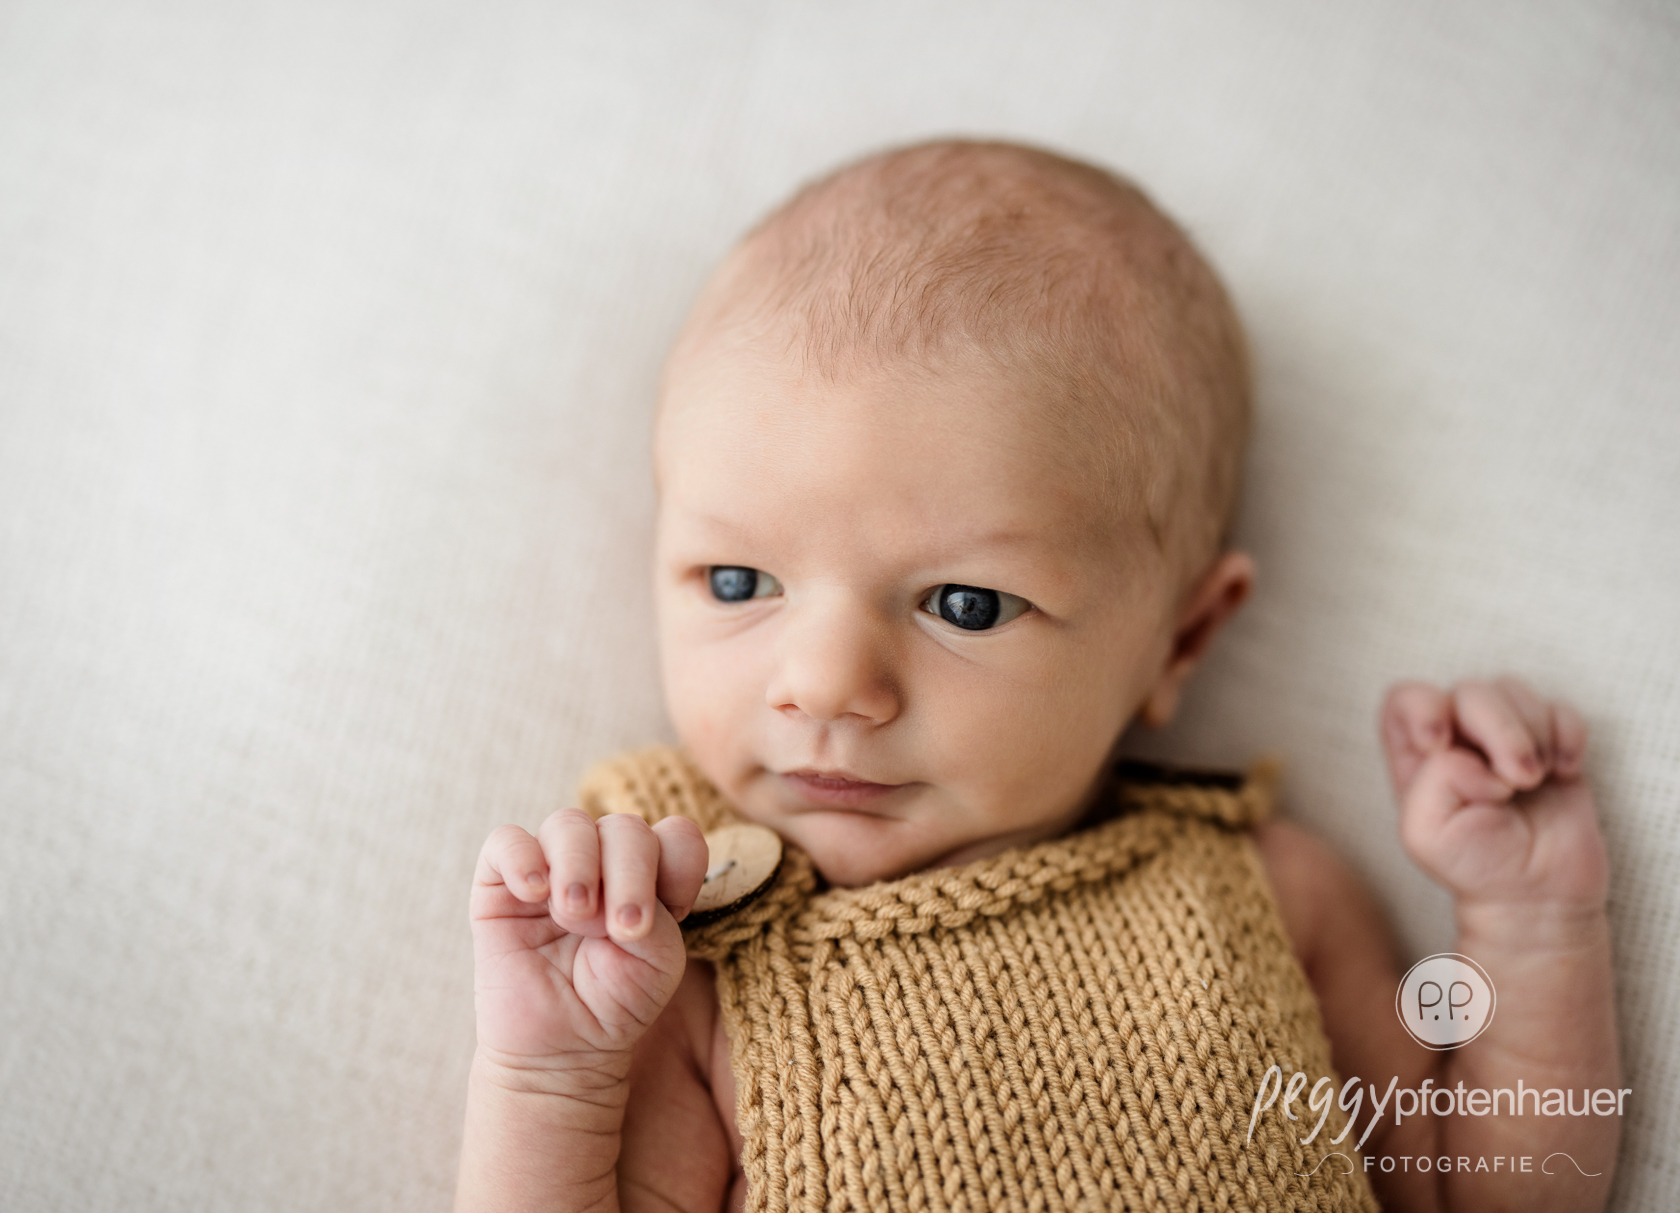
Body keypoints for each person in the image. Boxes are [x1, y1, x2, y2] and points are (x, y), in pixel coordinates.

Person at [452, 140, 1621, 1212]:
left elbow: (1480, 1194)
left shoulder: (1266, 895)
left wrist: (1531, 924)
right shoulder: (673, 944)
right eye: (738, 580)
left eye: (963, 605)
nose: (822, 685)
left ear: (1178, 641)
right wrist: (552, 1075)